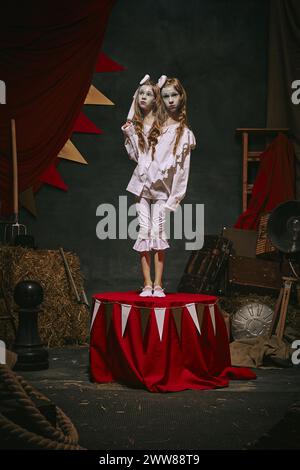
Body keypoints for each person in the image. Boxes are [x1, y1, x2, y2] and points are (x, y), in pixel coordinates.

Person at [122, 75, 196, 297]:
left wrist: (175, 199)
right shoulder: (153, 124)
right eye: (165, 96)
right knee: (144, 231)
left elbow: (182, 172)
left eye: (174, 95)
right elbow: (137, 155)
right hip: (142, 185)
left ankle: (158, 284)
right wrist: (130, 133)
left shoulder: (183, 133)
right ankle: (147, 284)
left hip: (164, 189)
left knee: (158, 232)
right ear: (160, 100)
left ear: (182, 97)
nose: (170, 100)